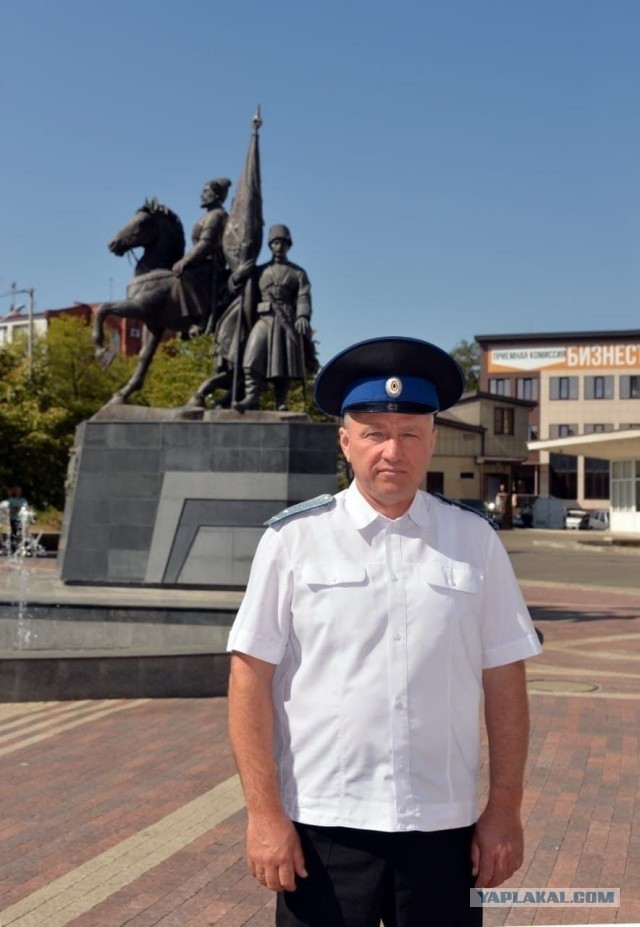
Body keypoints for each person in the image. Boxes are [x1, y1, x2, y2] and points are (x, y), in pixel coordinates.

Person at [227, 336, 542, 927]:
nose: (391, 450)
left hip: (443, 829)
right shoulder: (292, 541)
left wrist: (504, 807)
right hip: (323, 829)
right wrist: (264, 814)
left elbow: (504, 678)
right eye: (374, 433)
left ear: (433, 441)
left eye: (408, 433)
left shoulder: (473, 540)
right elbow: (250, 679)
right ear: (346, 441)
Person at [234, 224, 317, 411]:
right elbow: (238, 290)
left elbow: (304, 296)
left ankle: (281, 400)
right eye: (276, 243)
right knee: (251, 357)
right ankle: (251, 396)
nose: (279, 247)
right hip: (264, 319)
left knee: (282, 364)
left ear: (289, 246)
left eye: (283, 243)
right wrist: (238, 276)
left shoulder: (298, 273)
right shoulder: (259, 271)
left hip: (286, 320)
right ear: (270, 245)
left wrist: (302, 315)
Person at [172, 178, 231, 334]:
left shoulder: (216, 215)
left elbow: (206, 244)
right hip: (202, 262)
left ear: (216, 195)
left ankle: (198, 320)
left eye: (206, 192)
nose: (201, 195)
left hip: (212, 265)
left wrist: (185, 260)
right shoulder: (208, 215)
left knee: (184, 274)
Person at [4, 486, 29, 553]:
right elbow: (8, 509)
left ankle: (21, 547)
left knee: (22, 533)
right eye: (17, 491)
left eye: (19, 491)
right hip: (14, 518)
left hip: (22, 519)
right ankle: (13, 548)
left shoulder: (23, 500)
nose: (18, 492)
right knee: (14, 532)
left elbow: (26, 508)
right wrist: (14, 509)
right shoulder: (11, 500)